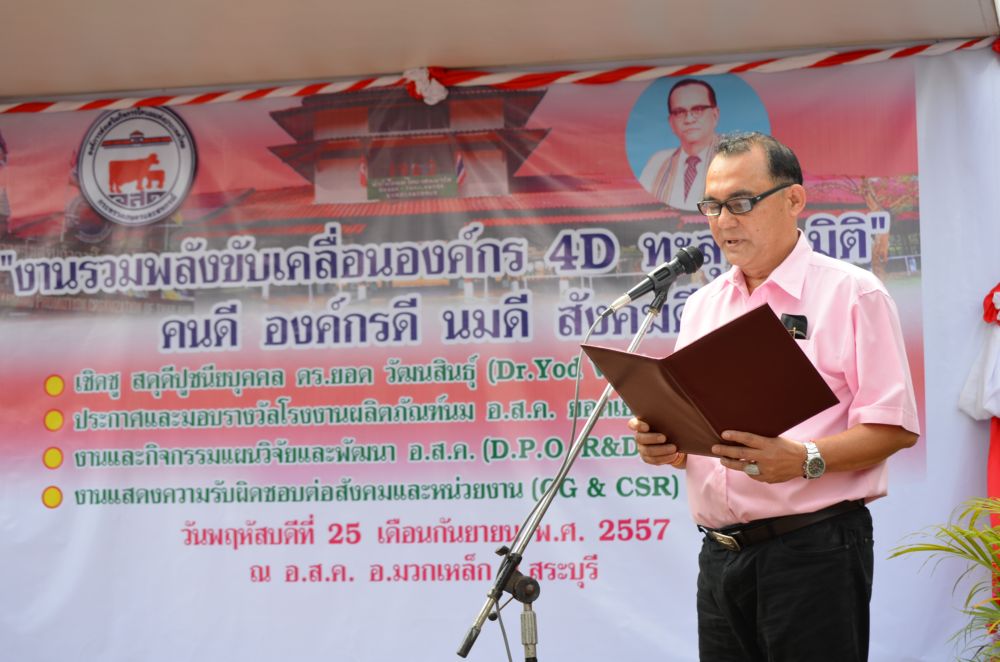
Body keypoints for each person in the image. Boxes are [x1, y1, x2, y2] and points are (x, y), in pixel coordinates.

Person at [628, 132, 919, 661]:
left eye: (741, 202)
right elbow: (705, 431)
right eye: (712, 205)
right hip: (720, 555)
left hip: (814, 548)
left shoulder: (852, 293)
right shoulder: (703, 305)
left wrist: (805, 458)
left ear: (793, 199)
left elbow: (894, 427)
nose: (724, 221)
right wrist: (669, 445)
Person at [638, 79, 720, 211]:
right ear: (671, 122)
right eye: (680, 112)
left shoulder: (736, 158)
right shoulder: (657, 163)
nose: (689, 119)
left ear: (715, 115)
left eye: (698, 110)